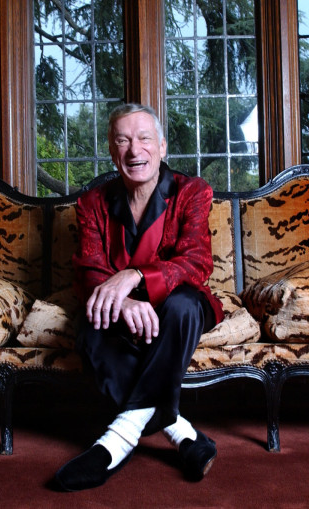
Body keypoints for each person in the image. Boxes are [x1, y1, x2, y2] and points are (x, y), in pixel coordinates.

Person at [54, 103, 224, 492]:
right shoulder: (92, 203)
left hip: (180, 302)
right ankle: (181, 433)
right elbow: (88, 270)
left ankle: (116, 440)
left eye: (145, 139)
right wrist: (124, 301)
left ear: (162, 147)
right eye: (123, 141)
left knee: (182, 308)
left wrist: (133, 277)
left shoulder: (192, 191)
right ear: (113, 152)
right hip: (121, 310)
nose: (135, 150)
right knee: (92, 327)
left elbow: (196, 262)